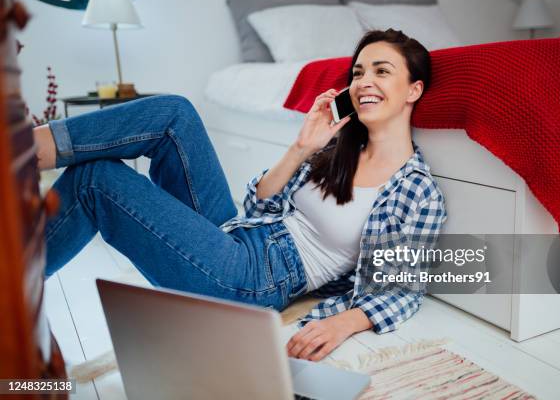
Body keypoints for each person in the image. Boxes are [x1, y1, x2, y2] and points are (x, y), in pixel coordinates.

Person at [35, 29, 446, 362]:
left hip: (256, 280)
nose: (363, 82)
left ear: (413, 90)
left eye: (381, 71)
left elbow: (405, 288)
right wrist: (301, 147)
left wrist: (343, 323)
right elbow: (258, 206)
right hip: (237, 235)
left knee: (96, 178)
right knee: (176, 112)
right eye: (357, 73)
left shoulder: (417, 190)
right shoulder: (337, 149)